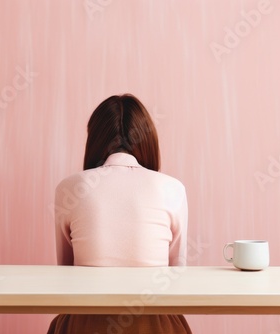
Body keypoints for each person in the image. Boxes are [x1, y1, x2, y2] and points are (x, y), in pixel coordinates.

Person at [48, 94, 192, 334]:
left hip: (85, 323)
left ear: (94, 141)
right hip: (157, 325)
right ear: (148, 141)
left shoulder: (68, 188)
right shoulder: (173, 188)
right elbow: (177, 275)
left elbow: (66, 274)